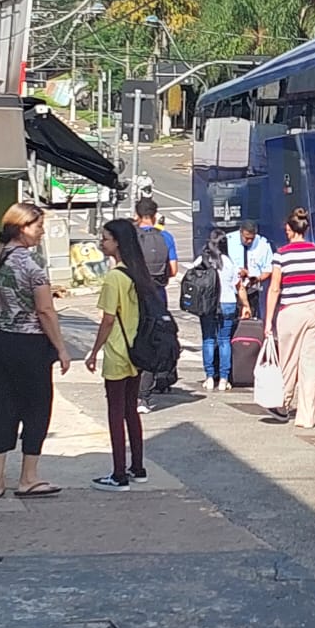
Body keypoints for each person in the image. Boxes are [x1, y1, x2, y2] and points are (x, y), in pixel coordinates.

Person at [0, 202, 71, 499]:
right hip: (29, 345)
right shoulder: (32, 266)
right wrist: (61, 348)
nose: (41, 233)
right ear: (22, 227)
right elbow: (45, 310)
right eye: (38, 226)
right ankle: (28, 477)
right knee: (37, 407)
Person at [84, 219, 156, 492]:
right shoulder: (138, 273)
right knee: (130, 411)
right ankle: (137, 467)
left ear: (117, 243)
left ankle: (118, 474)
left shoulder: (114, 277)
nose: (102, 243)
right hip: (137, 351)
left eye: (105, 239)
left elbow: (107, 320)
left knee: (115, 413)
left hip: (116, 351)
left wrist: (93, 352)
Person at [264, 207, 315, 428]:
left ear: (289, 229)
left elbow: (274, 289)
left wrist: (268, 321)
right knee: (312, 366)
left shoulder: (281, 255)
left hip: (290, 312)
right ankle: (307, 417)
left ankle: (282, 403)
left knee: (288, 361)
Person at [188, 229, 251, 391]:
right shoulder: (228, 263)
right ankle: (224, 379)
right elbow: (239, 286)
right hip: (228, 303)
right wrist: (245, 305)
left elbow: (189, 279)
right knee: (224, 341)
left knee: (208, 339)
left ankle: (209, 377)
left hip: (207, 305)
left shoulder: (201, 261)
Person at [134, 197, 178, 412]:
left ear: (136, 215)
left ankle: (130, 392)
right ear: (155, 214)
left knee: (132, 340)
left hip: (134, 296)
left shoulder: (132, 238)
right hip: (158, 296)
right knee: (152, 344)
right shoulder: (166, 237)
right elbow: (174, 269)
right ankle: (144, 397)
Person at [226, 219, 274, 318]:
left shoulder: (263, 244)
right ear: (240, 232)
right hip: (232, 291)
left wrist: (257, 278)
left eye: (252, 238)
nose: (249, 241)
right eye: (246, 238)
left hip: (251, 290)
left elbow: (268, 269)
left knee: (249, 324)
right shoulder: (228, 240)